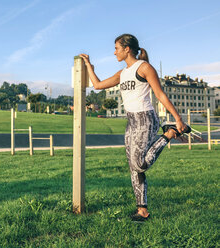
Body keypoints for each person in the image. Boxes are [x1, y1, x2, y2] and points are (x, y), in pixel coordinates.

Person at [79, 33, 190, 222]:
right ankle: (142, 210)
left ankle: (169, 134)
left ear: (127, 49)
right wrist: (89, 65)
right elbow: (97, 85)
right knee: (134, 168)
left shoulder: (144, 67)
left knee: (140, 164)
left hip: (146, 118)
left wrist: (177, 118)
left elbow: (160, 95)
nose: (114, 52)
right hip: (131, 120)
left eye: (116, 48)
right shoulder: (122, 74)